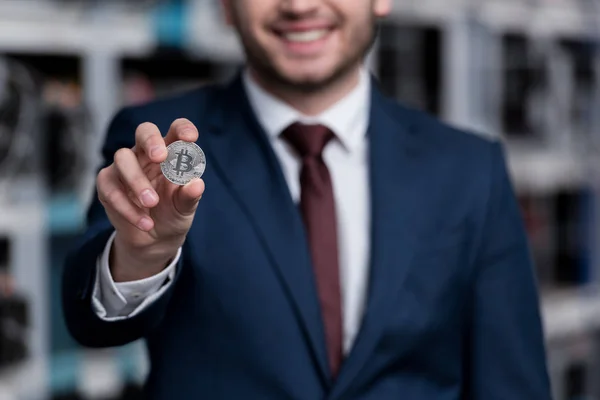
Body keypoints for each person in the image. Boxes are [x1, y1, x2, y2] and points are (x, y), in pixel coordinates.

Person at [62, 0, 552, 399]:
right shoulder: (160, 144)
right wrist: (142, 255)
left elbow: (511, 382)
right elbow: (91, 323)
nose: (299, 6)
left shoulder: (469, 169)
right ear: (226, 7)